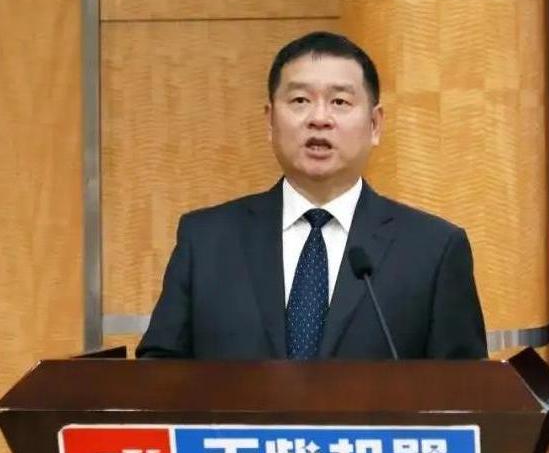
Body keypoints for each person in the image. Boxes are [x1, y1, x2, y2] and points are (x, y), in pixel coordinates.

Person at [136, 31, 487, 360]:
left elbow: (465, 391)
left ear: (375, 125)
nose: (319, 118)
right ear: (270, 121)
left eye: (340, 101)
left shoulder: (433, 250)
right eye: (300, 100)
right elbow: (158, 377)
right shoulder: (206, 240)